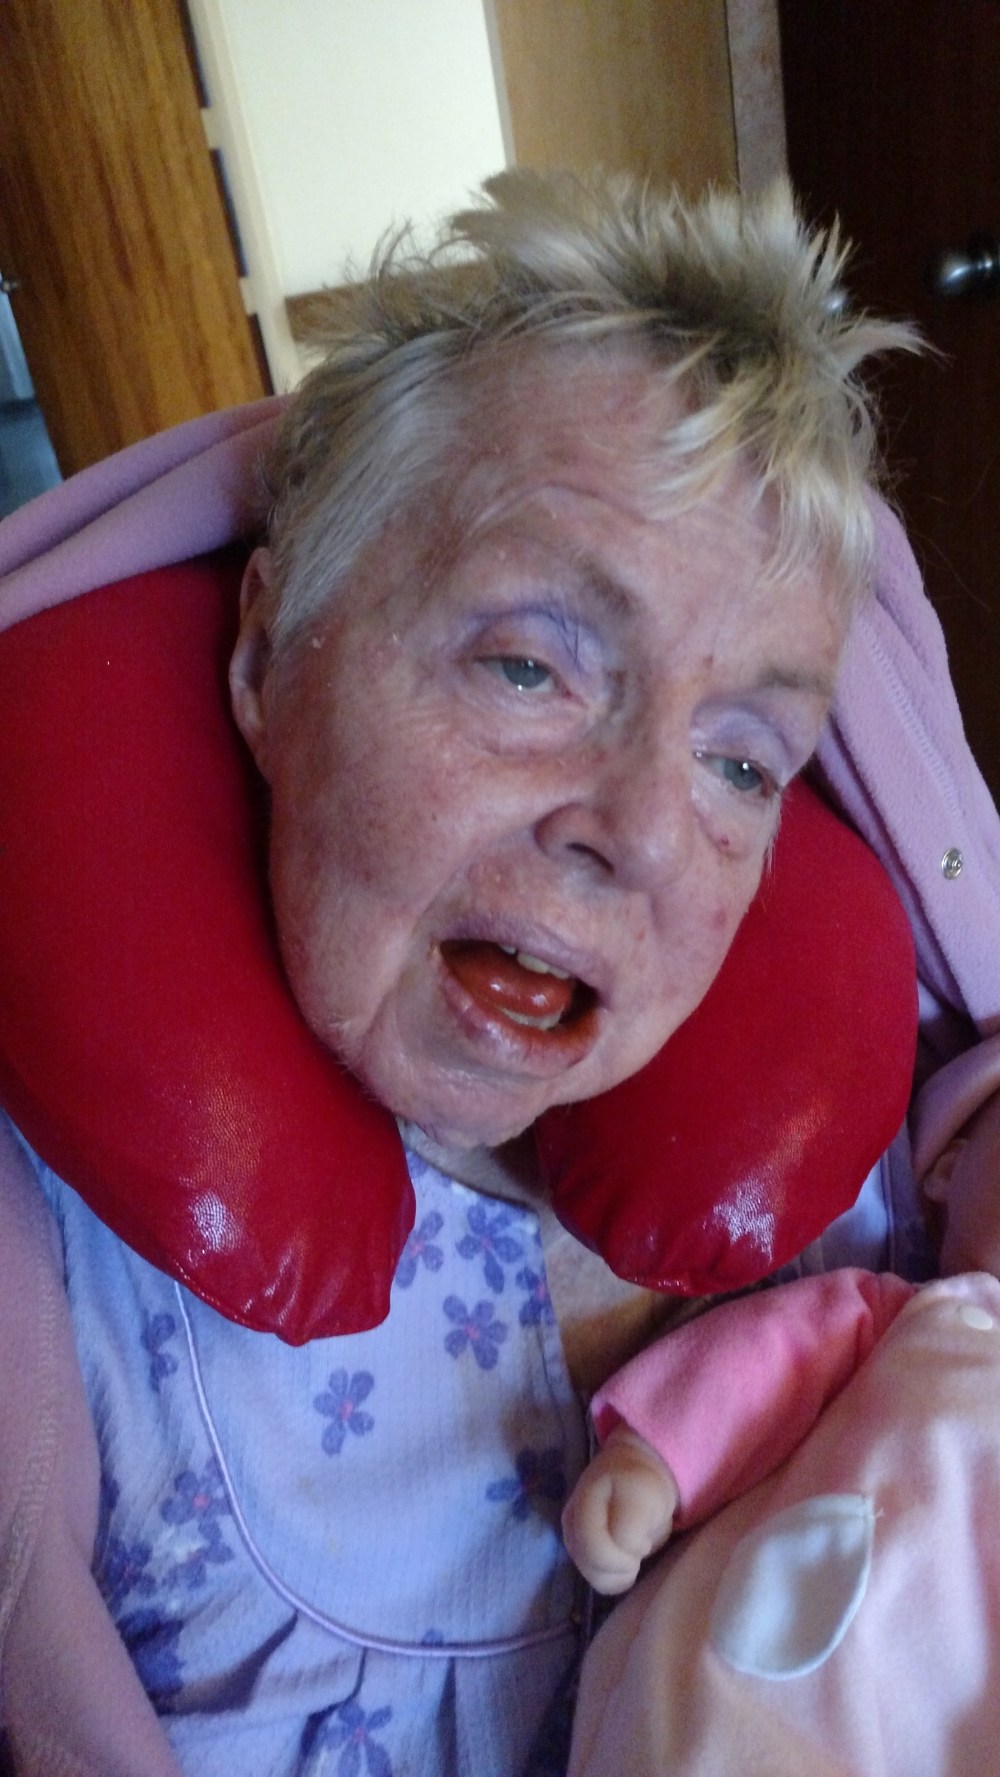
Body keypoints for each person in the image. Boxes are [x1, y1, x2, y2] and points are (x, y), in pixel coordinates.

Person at [0, 169, 998, 1777]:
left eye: (745, 762)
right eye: (531, 663)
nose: (642, 833)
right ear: (270, 652)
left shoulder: (888, 1190)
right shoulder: (54, 1291)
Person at [562, 1060, 1000, 1777]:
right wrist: (658, 1459)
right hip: (778, 1688)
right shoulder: (896, 1319)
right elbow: (766, 1364)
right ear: (949, 1168)